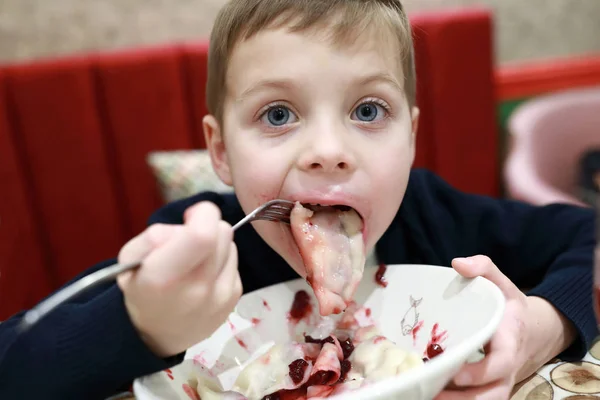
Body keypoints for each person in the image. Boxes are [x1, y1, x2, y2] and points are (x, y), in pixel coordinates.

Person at [0, 1, 596, 399]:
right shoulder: (195, 253)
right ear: (221, 151)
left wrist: (546, 326)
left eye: (368, 110)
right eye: (278, 114)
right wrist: (140, 325)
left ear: (411, 137)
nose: (329, 150)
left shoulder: (433, 214)